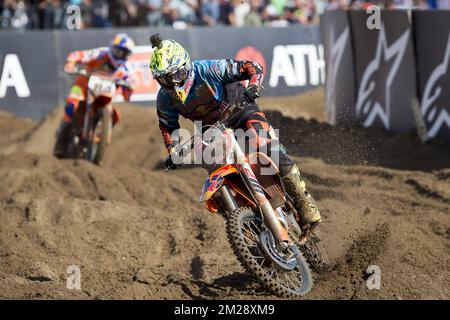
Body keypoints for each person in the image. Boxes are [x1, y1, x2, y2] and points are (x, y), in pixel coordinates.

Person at [148, 34, 321, 227]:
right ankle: (247, 225)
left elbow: (251, 67)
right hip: (210, 129)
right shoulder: (164, 98)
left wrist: (254, 85)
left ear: (186, 66)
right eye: (165, 80)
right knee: (215, 173)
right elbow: (167, 125)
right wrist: (173, 151)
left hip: (241, 110)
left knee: (268, 146)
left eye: (176, 76)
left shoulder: (208, 69)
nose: (172, 84)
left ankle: (304, 202)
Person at [53, 33, 135, 157]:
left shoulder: (126, 68)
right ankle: (61, 139)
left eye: (124, 53)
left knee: (115, 115)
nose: (121, 55)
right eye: (119, 51)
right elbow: (78, 55)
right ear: (112, 48)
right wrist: (70, 63)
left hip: (104, 95)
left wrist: (129, 88)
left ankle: (98, 136)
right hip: (82, 86)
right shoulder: (101, 54)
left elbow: (130, 88)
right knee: (72, 103)